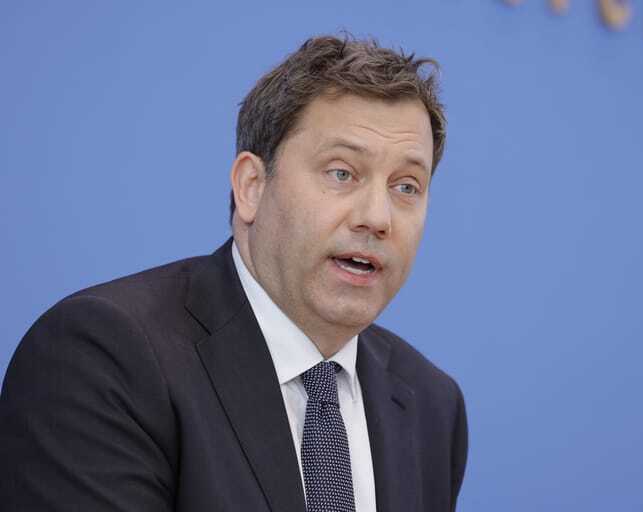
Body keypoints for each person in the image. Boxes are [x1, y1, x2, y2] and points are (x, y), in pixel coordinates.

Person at [0, 35, 468, 512]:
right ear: (251, 186)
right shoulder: (106, 357)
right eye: (341, 173)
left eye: (406, 186)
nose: (377, 217)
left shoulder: (432, 404)